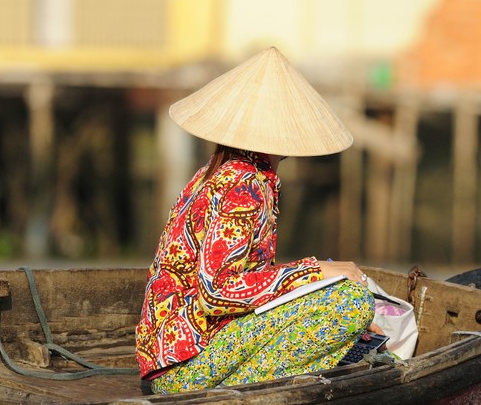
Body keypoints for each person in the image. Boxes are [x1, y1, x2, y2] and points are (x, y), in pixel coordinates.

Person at [135, 46, 378, 393]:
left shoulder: (222, 172)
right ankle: (234, 394)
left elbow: (245, 282)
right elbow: (215, 292)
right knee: (354, 303)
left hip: (175, 357)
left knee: (345, 301)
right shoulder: (243, 187)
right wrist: (312, 271)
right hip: (184, 366)